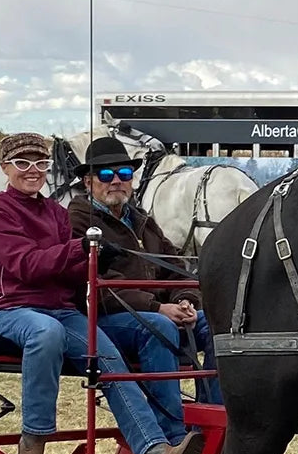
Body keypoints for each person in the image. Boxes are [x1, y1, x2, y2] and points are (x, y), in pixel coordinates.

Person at [0, 132, 202, 454]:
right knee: (45, 334)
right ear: (5, 168)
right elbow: (24, 266)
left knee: (104, 357)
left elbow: (76, 273)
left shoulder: (55, 212)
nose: (32, 171)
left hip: (61, 309)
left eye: (40, 163)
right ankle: (34, 440)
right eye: (22, 163)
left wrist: (92, 261)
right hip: (10, 308)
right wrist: (83, 251)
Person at [67, 136, 221, 404]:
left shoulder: (142, 220)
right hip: (105, 319)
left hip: (157, 313)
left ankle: (211, 421)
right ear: (88, 182)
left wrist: (185, 301)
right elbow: (94, 283)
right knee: (159, 326)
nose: (116, 180)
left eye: (124, 173)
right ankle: (170, 433)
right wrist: (157, 307)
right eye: (105, 174)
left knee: (218, 324)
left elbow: (175, 265)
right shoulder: (79, 221)